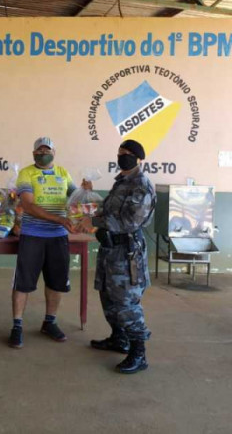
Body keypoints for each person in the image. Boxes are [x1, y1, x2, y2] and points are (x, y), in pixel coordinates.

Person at [79, 139, 156, 374]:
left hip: (127, 252)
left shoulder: (141, 185)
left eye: (128, 153)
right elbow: (108, 209)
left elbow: (129, 221)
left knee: (126, 302)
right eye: (120, 152)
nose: (122, 156)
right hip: (110, 250)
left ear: (139, 158)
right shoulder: (121, 181)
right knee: (108, 297)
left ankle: (138, 352)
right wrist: (88, 196)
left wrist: (93, 221)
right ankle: (118, 339)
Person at [9, 137, 76, 348]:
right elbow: (27, 205)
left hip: (58, 236)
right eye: (38, 151)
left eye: (46, 150)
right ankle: (17, 325)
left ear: (54, 152)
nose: (42, 153)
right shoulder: (27, 173)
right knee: (24, 282)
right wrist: (58, 218)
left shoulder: (63, 173)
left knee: (56, 282)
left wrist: (85, 190)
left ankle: (50, 322)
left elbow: (76, 198)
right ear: (33, 153)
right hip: (33, 234)